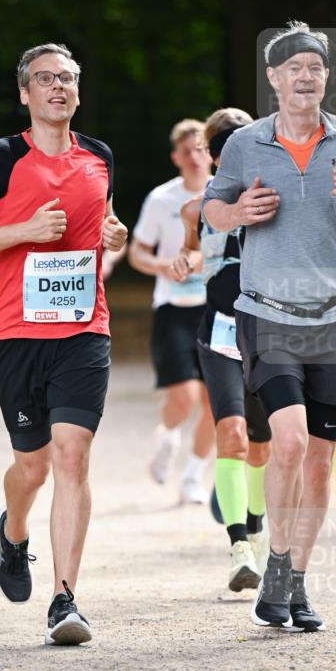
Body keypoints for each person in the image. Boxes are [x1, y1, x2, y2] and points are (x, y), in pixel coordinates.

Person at [203, 20, 336, 632]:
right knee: (286, 442)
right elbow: (211, 208)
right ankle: (275, 559)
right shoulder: (245, 144)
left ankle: (294, 581)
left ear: (326, 78)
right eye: (294, 68)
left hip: (334, 319)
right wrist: (237, 211)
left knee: (319, 458)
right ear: (273, 78)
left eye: (315, 67)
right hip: (265, 312)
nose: (305, 76)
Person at [0, 43, 127, 646]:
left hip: (83, 328)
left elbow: (104, 232)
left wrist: (115, 236)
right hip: (18, 333)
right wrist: (24, 231)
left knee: (72, 456)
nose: (58, 87)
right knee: (33, 465)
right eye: (45, 79)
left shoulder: (98, 155)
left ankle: (65, 600)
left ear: (78, 90)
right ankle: (13, 531)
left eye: (68, 78)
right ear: (25, 93)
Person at [171, 108, 271, 591]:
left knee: (263, 445)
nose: (233, 147)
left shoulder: (271, 198)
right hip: (220, 333)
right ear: (210, 153)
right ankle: (238, 547)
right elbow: (197, 247)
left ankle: (256, 526)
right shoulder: (195, 208)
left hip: (270, 332)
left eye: (241, 138)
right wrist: (185, 259)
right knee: (230, 434)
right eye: (223, 142)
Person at [128, 120, 215, 504]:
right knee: (184, 398)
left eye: (201, 149)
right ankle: (167, 432)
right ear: (176, 158)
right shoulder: (161, 199)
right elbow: (136, 252)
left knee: (218, 400)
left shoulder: (227, 192)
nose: (195, 157)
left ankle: (193, 478)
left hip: (218, 307)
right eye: (187, 151)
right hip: (174, 308)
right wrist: (162, 267)